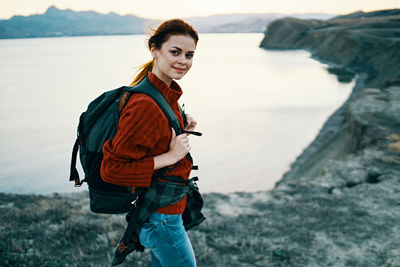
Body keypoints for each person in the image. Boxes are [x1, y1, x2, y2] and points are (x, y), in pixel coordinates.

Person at [100, 18, 200, 267]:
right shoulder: (145, 104)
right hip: (161, 218)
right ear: (154, 49)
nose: (183, 61)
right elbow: (112, 169)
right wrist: (171, 156)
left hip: (165, 213)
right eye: (175, 52)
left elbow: (154, 143)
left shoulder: (165, 94)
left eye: (189, 55)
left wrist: (181, 130)